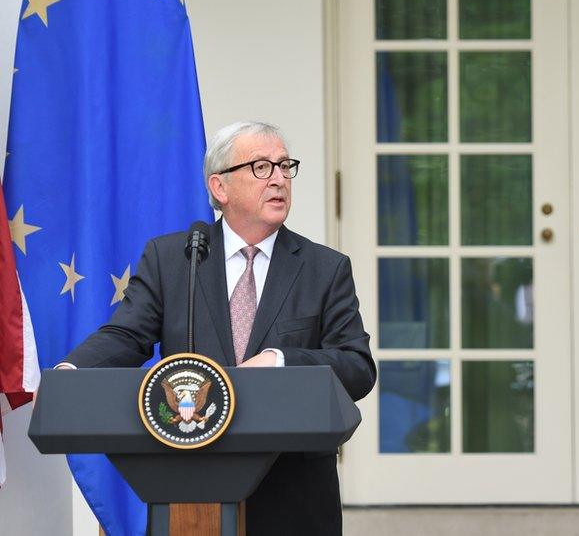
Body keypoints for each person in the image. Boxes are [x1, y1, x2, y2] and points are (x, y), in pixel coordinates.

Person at [59, 121, 375, 535]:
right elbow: (128, 335)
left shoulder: (325, 268)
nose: (279, 179)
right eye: (262, 167)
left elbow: (357, 366)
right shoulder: (174, 258)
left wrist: (281, 360)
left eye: (285, 166)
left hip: (293, 495)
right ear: (220, 187)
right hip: (191, 485)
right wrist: (73, 371)